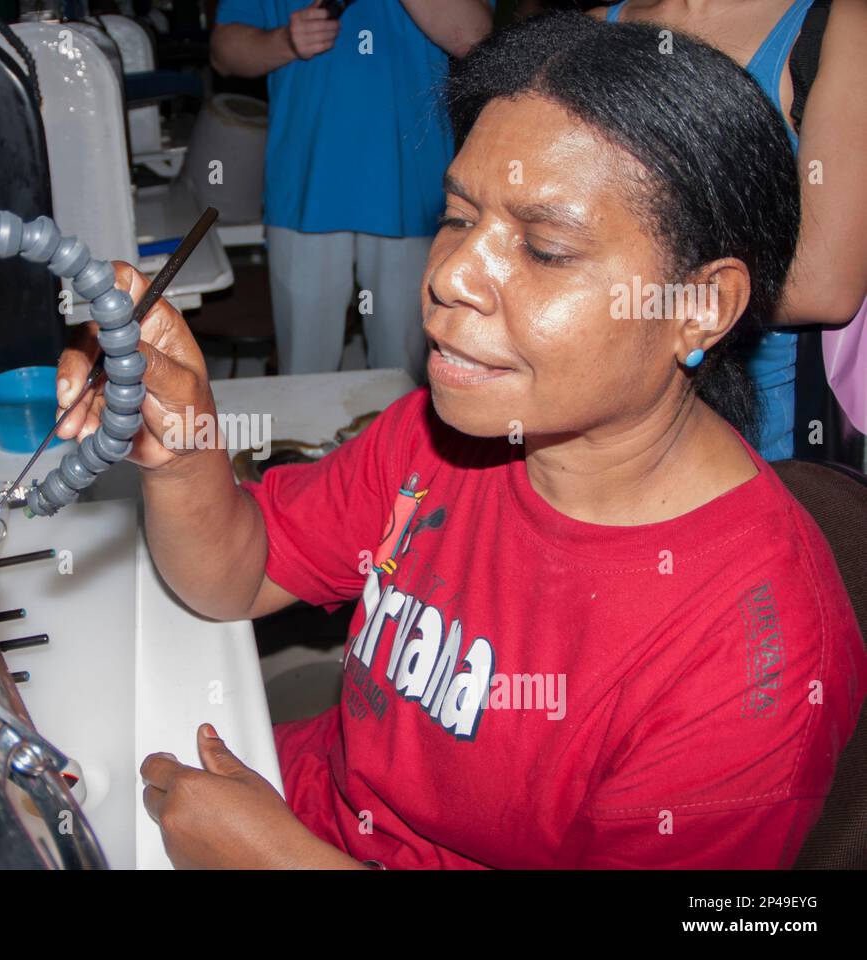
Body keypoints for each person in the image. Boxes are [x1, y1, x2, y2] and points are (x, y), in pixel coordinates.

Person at [55, 13, 865, 868]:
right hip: (290, 795)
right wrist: (182, 449)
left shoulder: (750, 662)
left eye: (544, 249)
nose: (448, 275)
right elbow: (242, 574)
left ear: (699, 308)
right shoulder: (449, 439)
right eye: (457, 216)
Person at [592, 0, 867, 461]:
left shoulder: (837, 25)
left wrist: (601, 287)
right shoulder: (593, 30)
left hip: (761, 438)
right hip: (601, 416)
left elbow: (823, 285)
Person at [210, 0, 493, 383]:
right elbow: (224, 52)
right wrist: (285, 42)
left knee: (405, 383)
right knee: (304, 379)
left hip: (412, 192)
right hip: (305, 189)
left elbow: (474, 37)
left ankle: (392, 445)